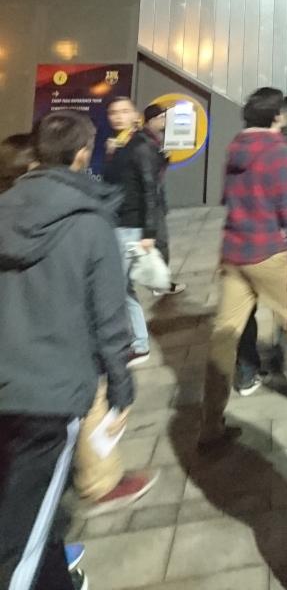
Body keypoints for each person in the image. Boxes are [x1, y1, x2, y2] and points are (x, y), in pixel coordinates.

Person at [0, 111, 134, 590]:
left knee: (31, 506)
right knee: (20, 541)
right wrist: (120, 386)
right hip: (52, 395)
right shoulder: (90, 224)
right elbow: (109, 318)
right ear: (82, 155)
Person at [200, 87, 287, 447]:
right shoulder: (276, 150)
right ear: (276, 115)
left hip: (234, 252)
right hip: (268, 251)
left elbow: (229, 197)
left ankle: (210, 426)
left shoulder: (236, 146)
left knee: (224, 336)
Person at [103, 96, 162, 366]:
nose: (118, 116)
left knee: (117, 286)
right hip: (118, 222)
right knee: (122, 286)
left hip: (131, 226)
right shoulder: (119, 144)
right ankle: (137, 342)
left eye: (124, 111)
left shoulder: (139, 145)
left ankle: (136, 343)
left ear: (135, 115)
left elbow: (150, 189)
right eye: (113, 112)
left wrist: (149, 232)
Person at [142, 104, 187, 296]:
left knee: (156, 242)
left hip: (155, 196)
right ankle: (160, 284)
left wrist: (164, 159)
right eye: (162, 117)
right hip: (150, 198)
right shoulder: (145, 142)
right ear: (151, 120)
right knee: (160, 242)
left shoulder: (155, 139)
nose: (165, 121)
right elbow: (148, 174)